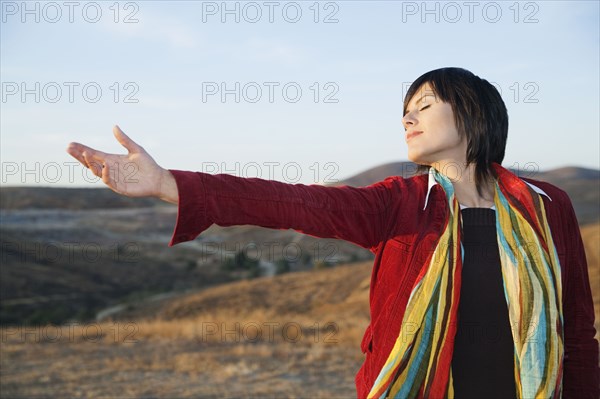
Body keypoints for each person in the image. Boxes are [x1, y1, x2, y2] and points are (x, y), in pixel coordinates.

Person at [66, 67, 599, 398]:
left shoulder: (547, 207)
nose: (408, 119)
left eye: (424, 106)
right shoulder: (399, 203)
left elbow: (575, 328)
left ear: (474, 112)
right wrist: (168, 184)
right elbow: (294, 203)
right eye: (404, 111)